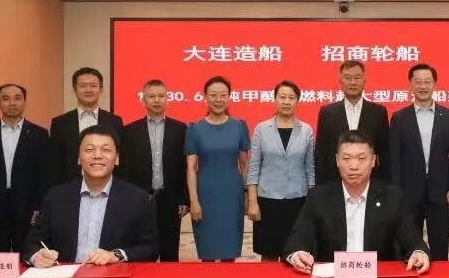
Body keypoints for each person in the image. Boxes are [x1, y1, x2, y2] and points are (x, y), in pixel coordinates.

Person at [283, 130, 429, 274]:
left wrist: (419, 252)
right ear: (337, 160)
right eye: (346, 158)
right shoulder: (319, 197)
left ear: (373, 161)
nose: (353, 166)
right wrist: (297, 254)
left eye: (361, 158)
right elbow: (296, 240)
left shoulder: (393, 197)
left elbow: (412, 238)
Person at [24, 125, 157, 267]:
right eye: (89, 150)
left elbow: (151, 248)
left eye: (106, 150)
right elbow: (32, 244)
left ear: (117, 158)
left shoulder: (138, 199)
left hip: (113, 277)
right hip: (66, 276)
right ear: (79, 158)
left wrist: (117, 255)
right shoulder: (56, 197)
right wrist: (36, 256)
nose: (97, 156)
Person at [388, 63, 449, 261]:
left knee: (440, 242)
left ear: (434, 84)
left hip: (441, 191)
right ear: (410, 84)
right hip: (409, 192)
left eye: (427, 81)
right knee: (409, 242)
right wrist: (396, 192)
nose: (423, 86)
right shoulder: (399, 118)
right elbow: (395, 159)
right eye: (418, 82)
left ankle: (441, 277)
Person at [0, 83, 49, 253]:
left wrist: (40, 206)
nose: (12, 103)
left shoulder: (39, 134)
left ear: (24, 102)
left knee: (26, 256)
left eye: (17, 98)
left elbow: (44, 174)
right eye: (6, 98)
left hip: (27, 208)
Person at [120, 79, 188, 262]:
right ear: (143, 100)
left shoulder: (180, 129)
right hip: (140, 197)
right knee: (142, 250)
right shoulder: (129, 131)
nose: (157, 100)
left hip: (170, 199)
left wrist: (184, 198)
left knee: (170, 253)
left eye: (161, 96)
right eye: (151, 96)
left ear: (167, 99)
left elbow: (184, 167)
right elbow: (125, 168)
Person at [247, 81, 315, 261]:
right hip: (268, 201)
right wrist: (252, 201)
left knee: (295, 253)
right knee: (268, 255)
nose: (286, 101)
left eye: (291, 98)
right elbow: (253, 168)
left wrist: (312, 201)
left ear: (297, 101)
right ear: (275, 99)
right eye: (282, 97)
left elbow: (310, 169)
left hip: (298, 201)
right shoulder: (262, 129)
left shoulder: (306, 130)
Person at [186, 76, 250, 261]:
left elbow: (245, 164)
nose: (218, 99)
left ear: (229, 97)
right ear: (205, 97)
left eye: (223, 95)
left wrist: (247, 195)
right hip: (205, 195)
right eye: (213, 95)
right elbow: (191, 168)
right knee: (207, 254)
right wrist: (194, 201)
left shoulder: (239, 126)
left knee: (230, 254)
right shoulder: (195, 129)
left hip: (232, 195)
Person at [315, 60, 389, 185]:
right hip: (335, 182)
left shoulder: (378, 112)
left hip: (370, 182)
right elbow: (321, 153)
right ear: (340, 81)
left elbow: (385, 153)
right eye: (348, 78)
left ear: (364, 81)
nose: (353, 82)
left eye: (357, 78)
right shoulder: (327, 112)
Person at [49, 67, 123, 187]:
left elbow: (120, 158)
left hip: (107, 186)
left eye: (93, 86)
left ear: (101, 89)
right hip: (70, 186)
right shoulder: (60, 123)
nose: (88, 90)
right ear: (74, 90)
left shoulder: (115, 121)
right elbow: (54, 162)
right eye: (83, 86)